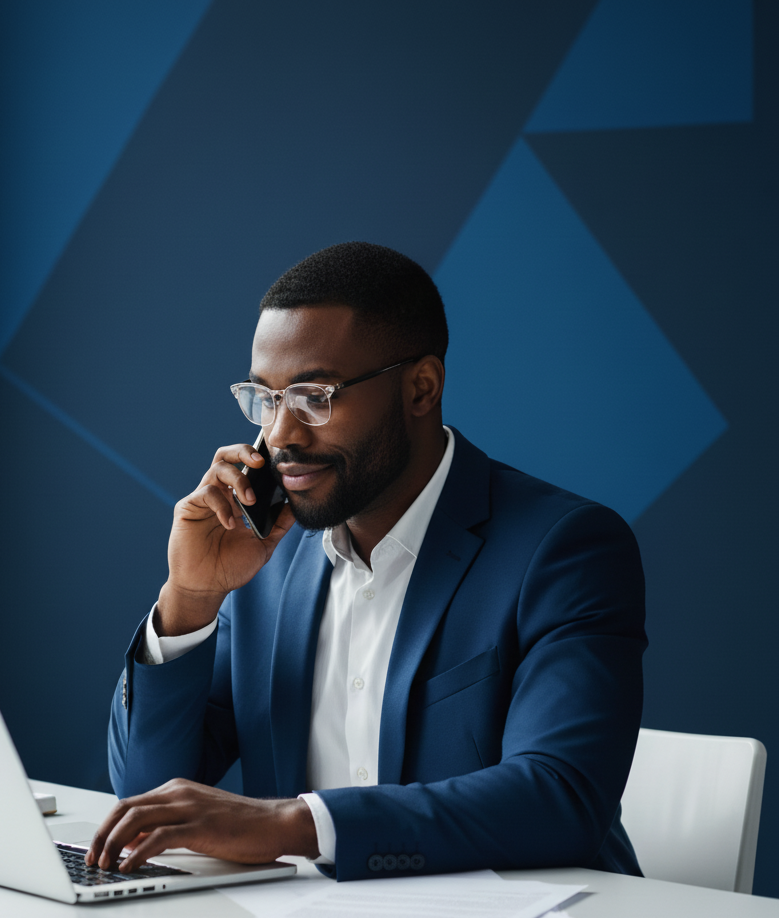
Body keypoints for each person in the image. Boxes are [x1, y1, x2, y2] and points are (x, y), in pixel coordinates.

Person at [87, 241, 646, 882]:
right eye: (265, 400)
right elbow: (149, 794)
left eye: (314, 397)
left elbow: (559, 798)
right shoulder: (261, 559)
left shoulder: (563, 548)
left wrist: (295, 825)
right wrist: (189, 596)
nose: (280, 437)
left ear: (421, 388)